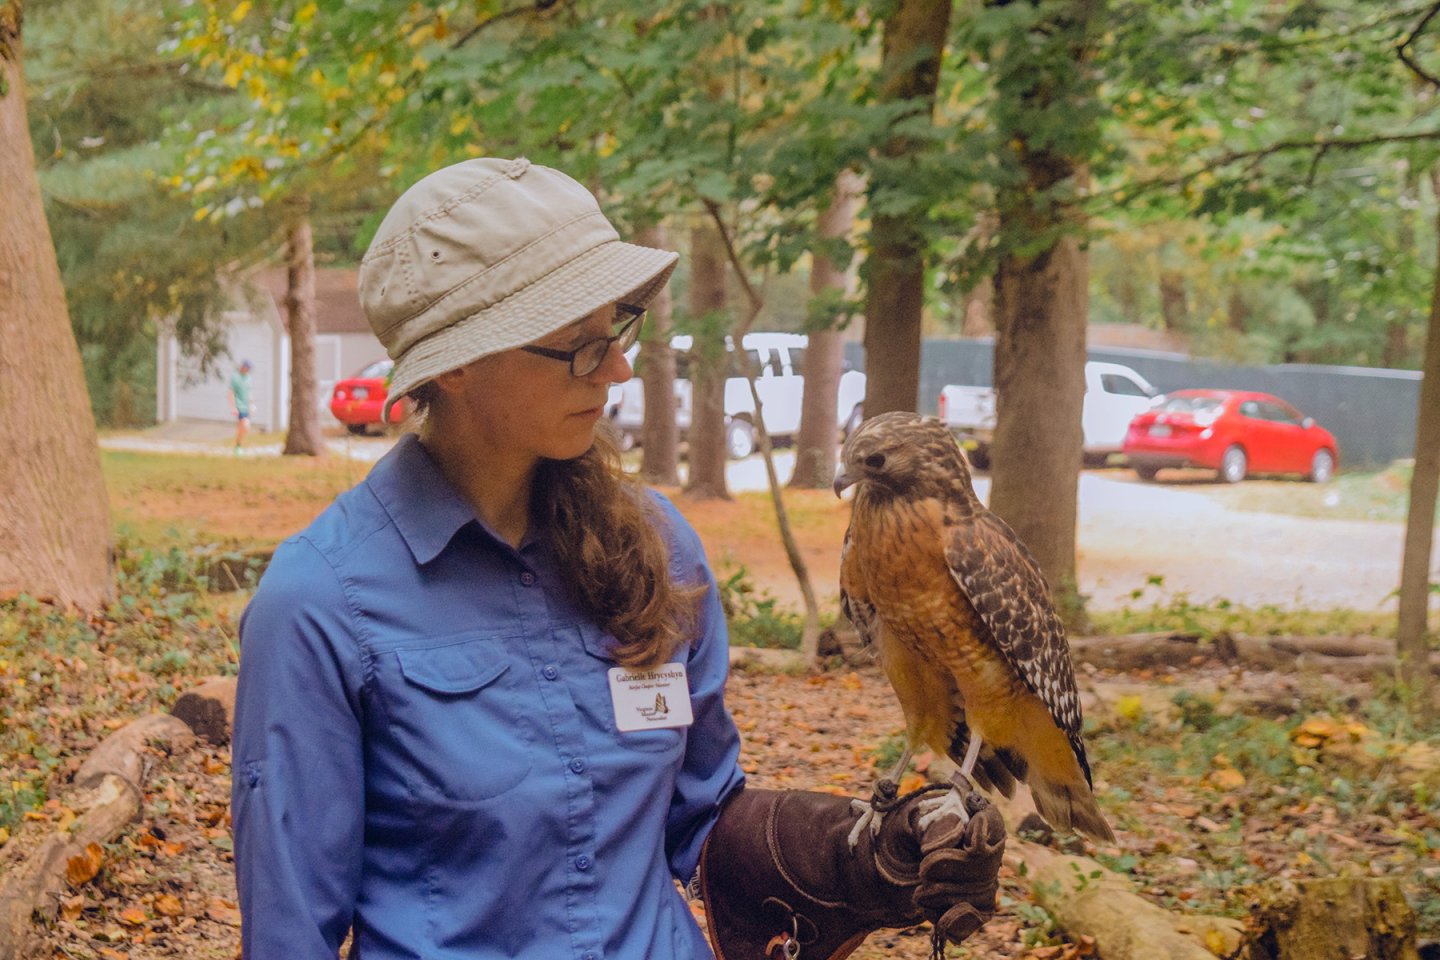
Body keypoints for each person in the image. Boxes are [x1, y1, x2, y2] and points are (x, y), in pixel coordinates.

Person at [231, 156, 1005, 960]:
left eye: (617, 330)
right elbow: (291, 933)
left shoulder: (659, 547)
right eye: (579, 346)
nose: (617, 368)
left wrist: (853, 856)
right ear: (456, 362)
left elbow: (700, 818)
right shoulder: (321, 603)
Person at [228, 359, 253, 454]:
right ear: (243, 367)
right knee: (245, 425)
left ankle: (238, 446)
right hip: (239, 406)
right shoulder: (236, 378)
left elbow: (249, 393)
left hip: (246, 406)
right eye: (246, 368)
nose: (247, 370)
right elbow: (231, 393)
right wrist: (233, 407)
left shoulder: (249, 378)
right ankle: (238, 446)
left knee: (244, 427)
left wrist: (251, 405)